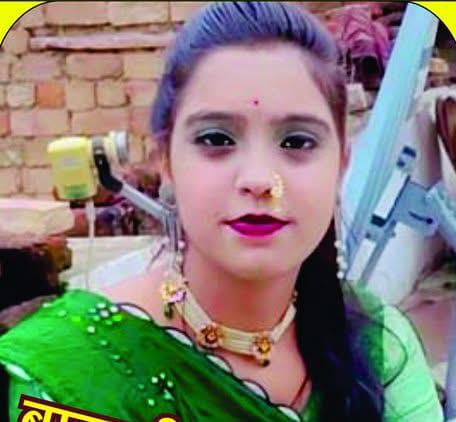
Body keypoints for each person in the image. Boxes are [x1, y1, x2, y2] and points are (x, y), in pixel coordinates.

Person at [0, 2, 444, 421]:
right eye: (216, 139)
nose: (259, 179)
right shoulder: (70, 375)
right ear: (166, 162)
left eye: (297, 142)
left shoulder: (380, 345)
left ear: (341, 164)